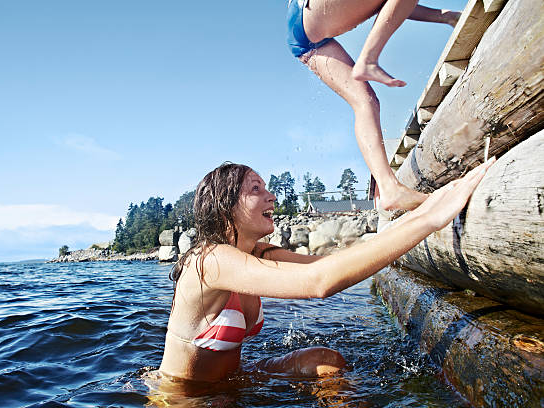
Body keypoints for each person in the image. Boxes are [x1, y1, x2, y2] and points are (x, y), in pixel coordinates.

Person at [154, 158, 494, 393]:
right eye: (256, 189)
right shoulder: (209, 260)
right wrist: (431, 220)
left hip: (236, 381)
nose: (271, 195)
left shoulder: (256, 253)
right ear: (225, 205)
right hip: (184, 396)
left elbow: (335, 263)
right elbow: (319, 283)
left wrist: (425, 209)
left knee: (326, 362)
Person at [286, 0, 461, 211]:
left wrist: (446, 16)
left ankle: (389, 189)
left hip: (304, 33)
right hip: (307, 11)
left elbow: (394, 6)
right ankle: (369, 60)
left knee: (365, 102)